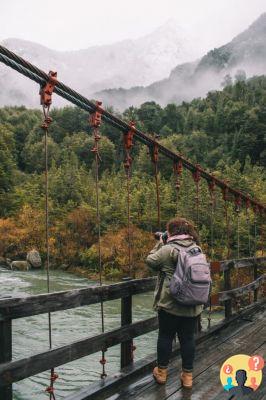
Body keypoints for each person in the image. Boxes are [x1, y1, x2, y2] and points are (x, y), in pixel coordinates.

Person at [146, 217, 203, 389]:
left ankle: (161, 373)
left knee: (165, 336)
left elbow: (150, 261)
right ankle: (187, 377)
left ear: (171, 232)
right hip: (192, 305)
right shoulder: (196, 248)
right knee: (187, 339)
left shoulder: (168, 249)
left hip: (170, 304)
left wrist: (160, 243)